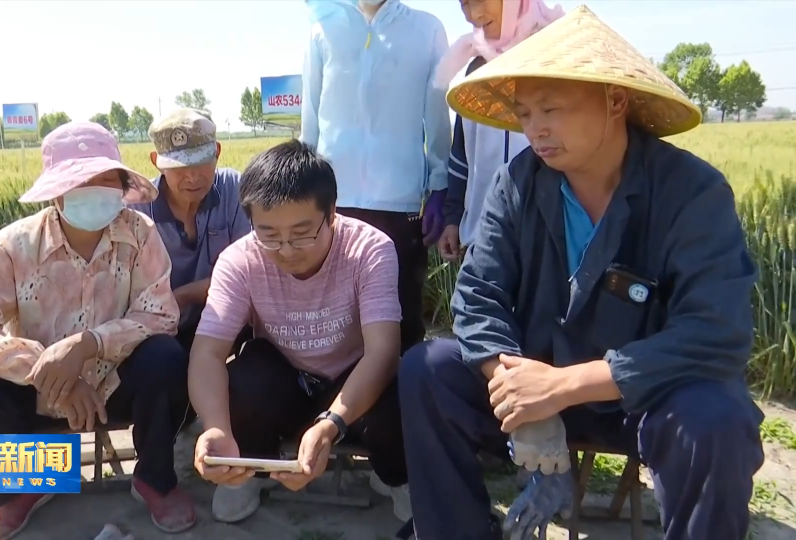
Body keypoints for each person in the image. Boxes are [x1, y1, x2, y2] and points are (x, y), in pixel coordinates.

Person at [399, 6, 765, 540]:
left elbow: (715, 332)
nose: (536, 130)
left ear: (615, 100)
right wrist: (518, 390)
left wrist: (565, 386)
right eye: (525, 113)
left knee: (717, 420)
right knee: (428, 369)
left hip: (646, 397)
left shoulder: (692, 191)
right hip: (539, 381)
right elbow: (478, 297)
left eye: (552, 109)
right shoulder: (518, 183)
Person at [0, 122, 196, 539]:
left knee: (167, 357)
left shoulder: (139, 234)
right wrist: (48, 369)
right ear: (56, 192)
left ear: (122, 183)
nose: (95, 188)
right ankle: (19, 488)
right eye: (81, 180)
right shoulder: (13, 246)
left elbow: (161, 314)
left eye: (105, 178)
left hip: (113, 384)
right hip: (34, 393)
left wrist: (88, 344)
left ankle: (155, 480)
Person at [187, 140, 411, 524]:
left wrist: (331, 423)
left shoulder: (370, 250)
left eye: (302, 233)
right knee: (245, 375)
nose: (287, 250)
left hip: (352, 386)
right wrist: (216, 428)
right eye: (269, 234)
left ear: (332, 214)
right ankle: (247, 471)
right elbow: (207, 352)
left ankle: (395, 475)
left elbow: (382, 351)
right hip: (285, 382)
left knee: (403, 385)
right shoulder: (239, 261)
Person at [301, 0, 451, 353]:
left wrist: (440, 185)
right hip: (333, 204)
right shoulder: (323, 26)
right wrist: (302, 188)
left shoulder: (427, 29)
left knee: (401, 319)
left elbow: (438, 113)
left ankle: (402, 401)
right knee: (337, 320)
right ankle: (337, 401)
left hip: (400, 205)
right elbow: (310, 116)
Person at [436, 0, 563, 261]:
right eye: (464, 4)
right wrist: (453, 218)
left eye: (481, 1)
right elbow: (463, 153)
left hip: (547, 243)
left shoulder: (556, 57)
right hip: (482, 241)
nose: (474, 15)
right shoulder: (475, 69)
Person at [129, 108, 252, 351]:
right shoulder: (137, 210)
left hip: (227, 315)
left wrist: (183, 295)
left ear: (217, 152)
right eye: (179, 167)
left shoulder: (233, 189)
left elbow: (251, 272)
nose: (193, 177)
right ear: (156, 162)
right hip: (161, 329)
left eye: (201, 162)